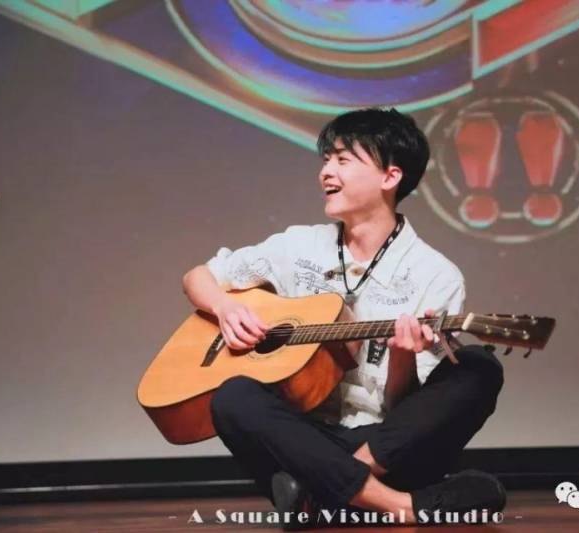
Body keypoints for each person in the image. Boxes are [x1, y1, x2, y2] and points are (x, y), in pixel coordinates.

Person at [182, 108, 505, 527]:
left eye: (343, 160)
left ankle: (323, 493)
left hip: (385, 445)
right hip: (303, 438)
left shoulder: (435, 275)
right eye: (326, 160)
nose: (326, 172)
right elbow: (198, 276)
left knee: (479, 366)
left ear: (390, 176)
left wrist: (403, 355)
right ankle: (396, 506)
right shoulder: (298, 246)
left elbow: (405, 411)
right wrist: (225, 308)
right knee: (232, 397)